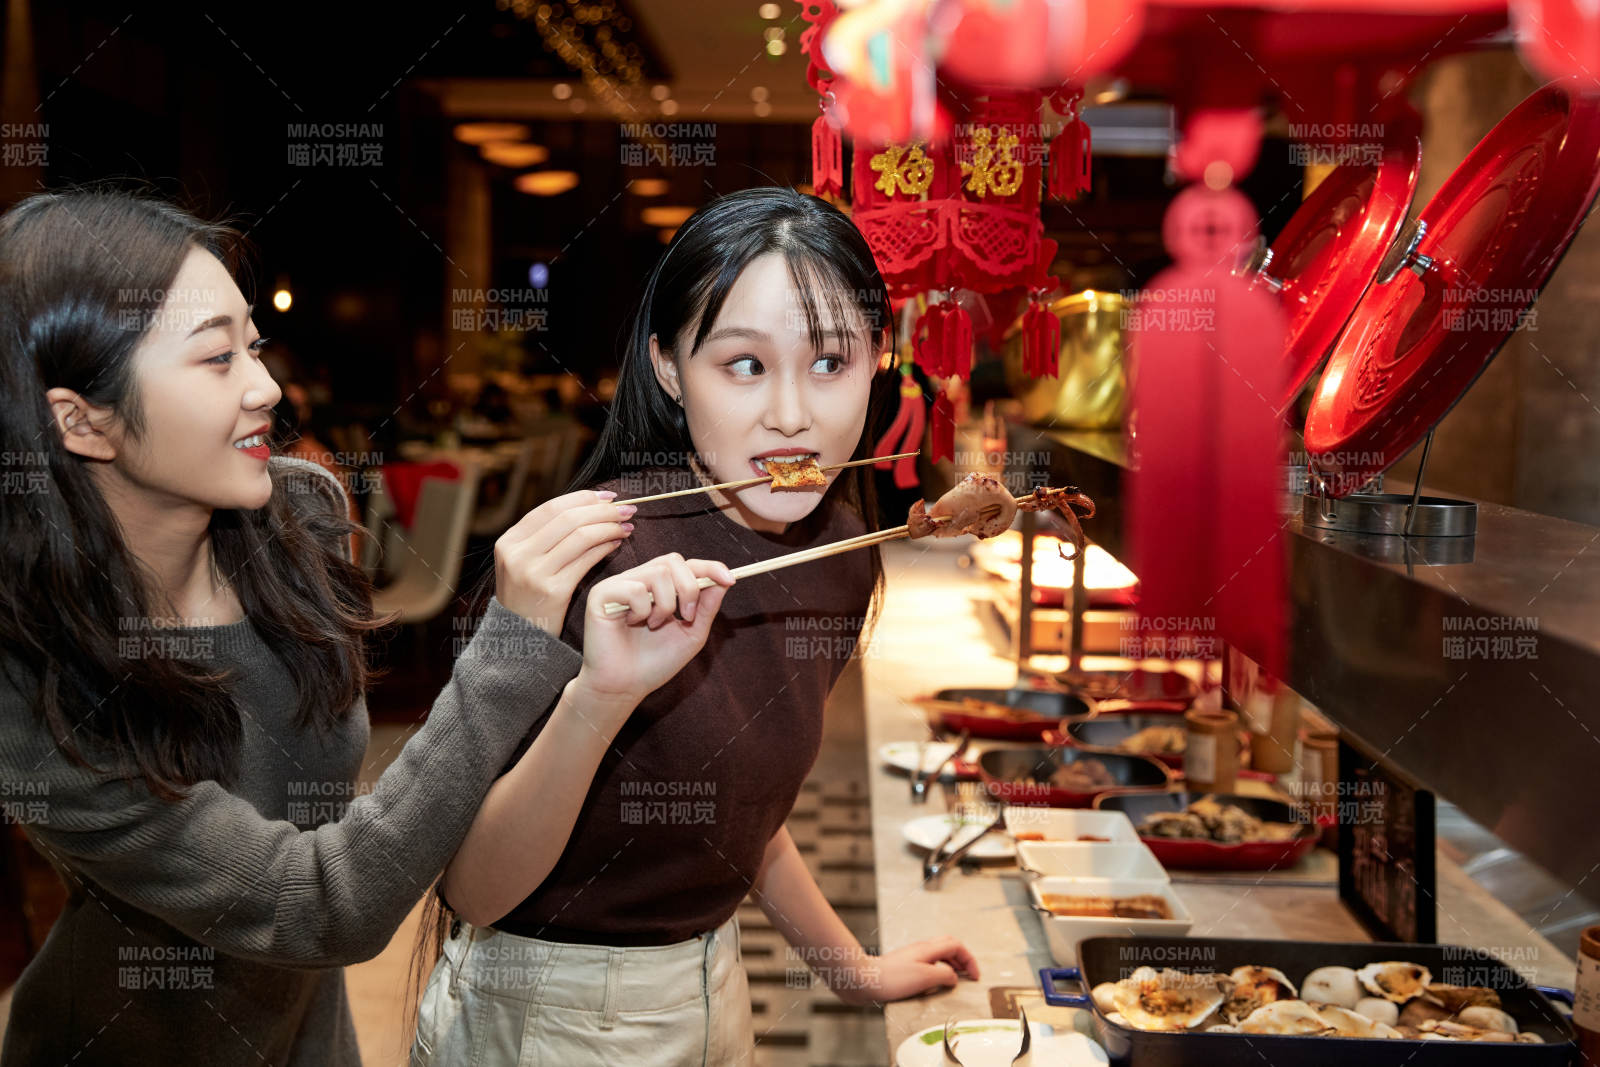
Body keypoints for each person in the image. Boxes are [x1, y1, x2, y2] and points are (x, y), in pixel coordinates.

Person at [0, 186, 732, 1065]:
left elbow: (364, 822)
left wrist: (595, 683)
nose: (266, 386)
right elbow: (319, 902)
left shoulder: (295, 518)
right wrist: (511, 645)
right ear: (82, 420)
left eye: (253, 346)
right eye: (214, 359)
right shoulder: (30, 679)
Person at [413, 188, 978, 1066]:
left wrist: (849, 967)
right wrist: (601, 695)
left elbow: (742, 807)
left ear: (881, 358)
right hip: (547, 1014)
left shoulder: (840, 544)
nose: (791, 413)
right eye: (743, 365)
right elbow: (473, 889)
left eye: (830, 361)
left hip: (716, 987)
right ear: (670, 368)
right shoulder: (591, 565)